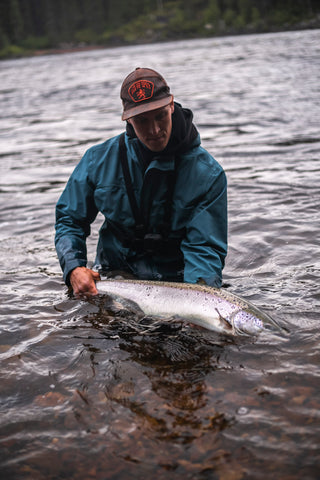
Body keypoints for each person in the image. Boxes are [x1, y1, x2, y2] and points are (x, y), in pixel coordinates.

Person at [55, 67, 227, 297]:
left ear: (171, 106)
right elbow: (70, 220)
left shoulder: (208, 174)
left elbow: (204, 248)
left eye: (160, 116)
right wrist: (74, 268)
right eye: (142, 120)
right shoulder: (98, 160)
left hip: (178, 281)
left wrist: (199, 294)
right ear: (128, 120)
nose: (154, 130)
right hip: (113, 274)